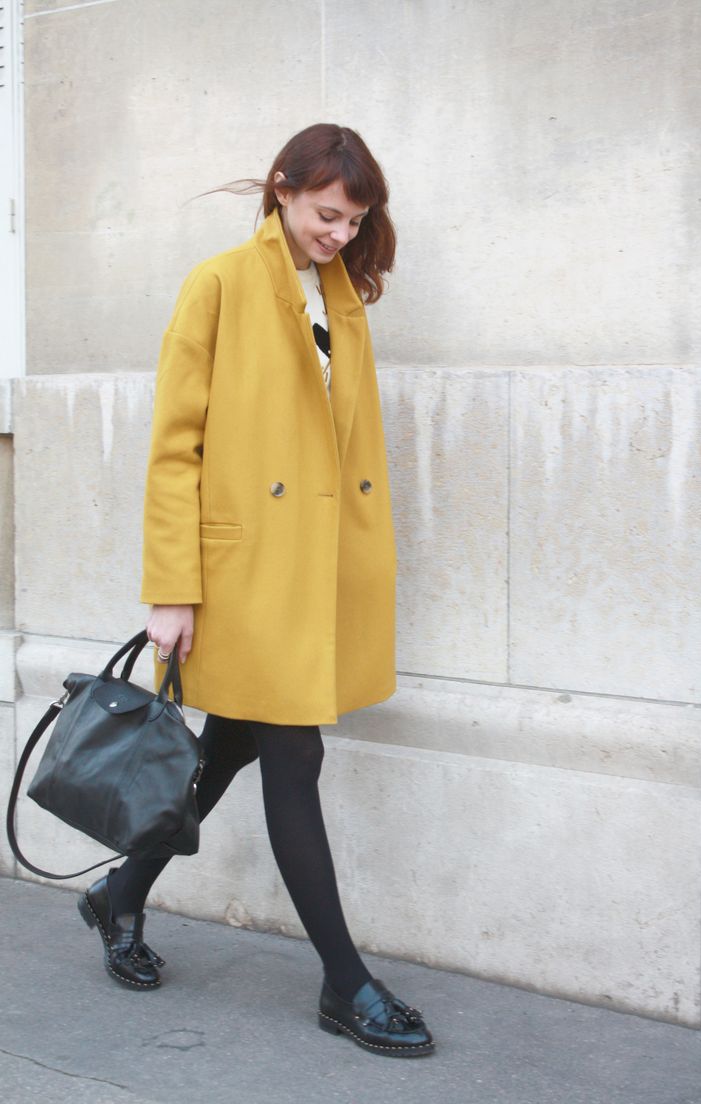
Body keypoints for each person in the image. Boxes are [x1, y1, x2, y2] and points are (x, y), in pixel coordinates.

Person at [77, 123, 435, 1058]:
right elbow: (174, 449)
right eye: (327, 213)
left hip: (310, 575)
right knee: (294, 759)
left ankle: (117, 897)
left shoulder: (347, 298)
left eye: (355, 220)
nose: (341, 233)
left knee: (229, 747)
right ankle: (344, 983)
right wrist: (172, 589)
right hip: (239, 577)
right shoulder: (221, 285)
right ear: (281, 189)